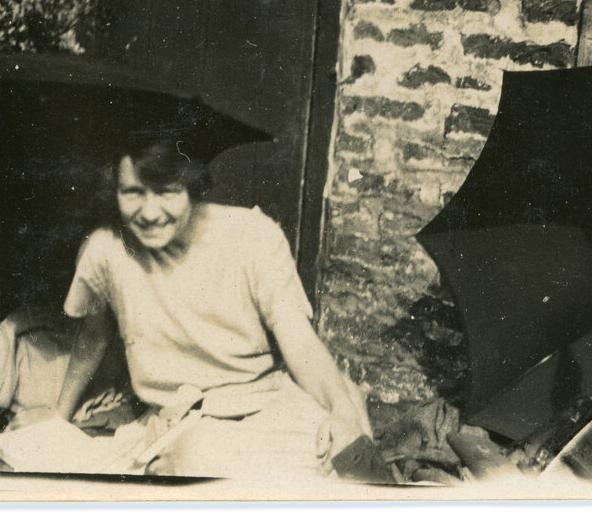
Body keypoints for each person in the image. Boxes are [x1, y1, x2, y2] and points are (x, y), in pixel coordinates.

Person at [55, 136, 371, 478]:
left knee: (340, 451)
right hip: (182, 422)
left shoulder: (252, 234)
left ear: (192, 184)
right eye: (133, 193)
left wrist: (342, 411)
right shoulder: (104, 251)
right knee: (195, 462)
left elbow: (298, 339)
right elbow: (93, 338)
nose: (149, 213)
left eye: (166, 192)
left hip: (266, 406)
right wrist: (57, 420)